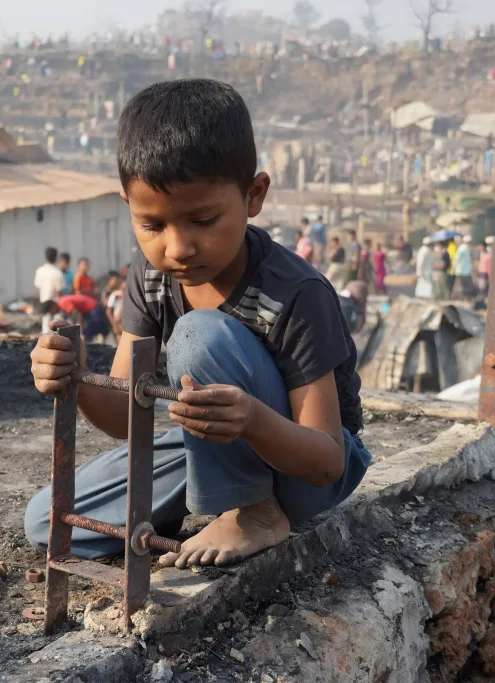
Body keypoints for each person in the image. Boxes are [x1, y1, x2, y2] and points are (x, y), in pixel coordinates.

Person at [25, 79, 371, 568]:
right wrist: (75, 377)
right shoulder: (150, 277)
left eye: (204, 221)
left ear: (254, 195)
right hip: (216, 444)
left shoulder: (295, 293)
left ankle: (254, 512)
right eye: (153, 225)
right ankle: (211, 502)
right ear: (128, 205)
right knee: (49, 519)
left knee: (198, 334)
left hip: (304, 471)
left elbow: (328, 460)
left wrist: (250, 418)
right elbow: (129, 411)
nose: (178, 247)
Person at [34, 247, 65, 332]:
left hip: (44, 302)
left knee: (46, 328)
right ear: (56, 258)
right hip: (54, 304)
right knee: (57, 329)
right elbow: (60, 291)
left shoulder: (39, 271)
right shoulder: (57, 273)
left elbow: (38, 285)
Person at [452, 235, 475, 302]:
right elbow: (456, 259)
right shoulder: (462, 248)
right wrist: (454, 269)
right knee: (466, 286)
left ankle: (466, 299)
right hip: (462, 271)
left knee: (466, 286)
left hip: (465, 271)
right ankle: (465, 299)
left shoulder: (466, 248)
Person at [477, 237, 493, 301]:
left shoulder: (489, 255)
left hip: (485, 274)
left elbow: (489, 266)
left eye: (481, 246)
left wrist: (489, 275)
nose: (480, 248)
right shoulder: (482, 254)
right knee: (480, 288)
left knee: (484, 289)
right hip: (480, 273)